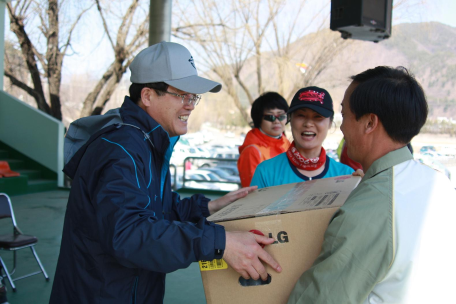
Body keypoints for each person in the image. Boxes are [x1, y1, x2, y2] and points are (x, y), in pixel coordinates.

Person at [50, 42, 281, 303]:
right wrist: (220, 243)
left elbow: (157, 211)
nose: (190, 106)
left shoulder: (148, 142)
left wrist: (210, 207)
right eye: (182, 95)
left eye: (192, 97)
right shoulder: (122, 149)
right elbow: (128, 234)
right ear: (148, 96)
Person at [287, 66, 456, 304]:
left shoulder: (368, 208)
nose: (343, 128)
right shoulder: (440, 183)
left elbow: (320, 298)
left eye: (345, 116)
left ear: (369, 123)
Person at [250, 86, 354, 188]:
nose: (308, 123)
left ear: (330, 123)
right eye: (301, 115)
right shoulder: (266, 172)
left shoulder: (346, 176)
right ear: (290, 120)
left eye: (318, 117)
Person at [237, 92, 290, 187]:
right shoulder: (252, 151)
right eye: (270, 117)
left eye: (281, 116)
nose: (276, 121)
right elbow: (253, 193)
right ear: (258, 119)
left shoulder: (287, 143)